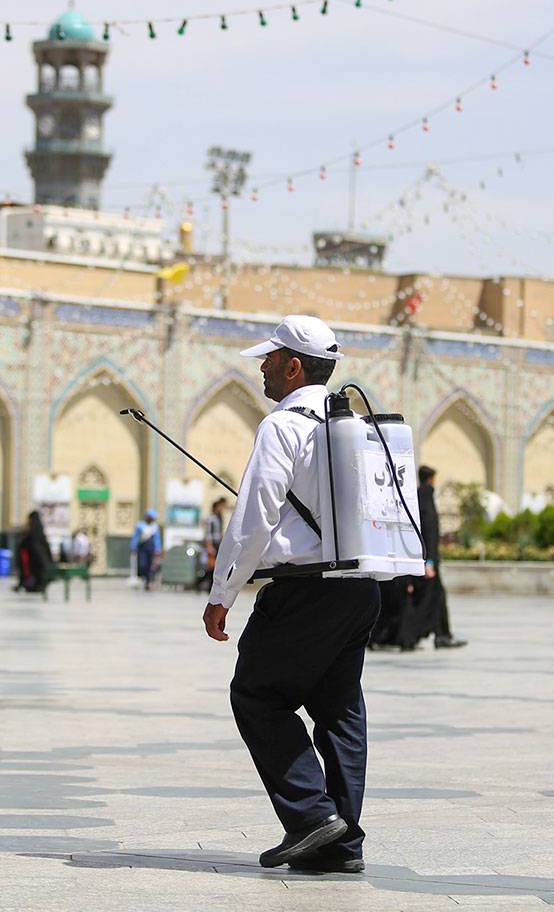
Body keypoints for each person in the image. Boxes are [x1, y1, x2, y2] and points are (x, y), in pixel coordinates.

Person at [202, 314, 377, 873]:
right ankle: (340, 845)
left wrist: (223, 592)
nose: (263, 369)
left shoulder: (283, 426)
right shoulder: (356, 426)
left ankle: (310, 816)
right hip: (359, 588)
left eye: (270, 360)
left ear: (294, 366)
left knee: (257, 695)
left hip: (304, 591)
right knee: (339, 713)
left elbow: (254, 515)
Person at [397, 466, 466, 651]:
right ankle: (411, 637)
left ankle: (442, 635)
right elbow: (429, 533)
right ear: (431, 479)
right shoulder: (427, 500)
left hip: (425, 561)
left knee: (437, 600)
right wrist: (429, 562)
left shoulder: (418, 498)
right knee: (427, 602)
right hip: (429, 563)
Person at [14, 511, 55, 598]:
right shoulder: (40, 531)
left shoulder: (31, 532)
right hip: (41, 561)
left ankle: (33, 585)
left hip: (35, 561)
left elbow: (23, 544)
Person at [196, 497, 228, 594]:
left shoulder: (220, 518)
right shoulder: (211, 519)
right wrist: (209, 546)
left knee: (216, 567)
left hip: (218, 543)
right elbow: (208, 534)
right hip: (212, 543)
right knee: (211, 566)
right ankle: (202, 583)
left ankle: (207, 585)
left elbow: (220, 532)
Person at [131, 509, 163, 591]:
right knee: (142, 564)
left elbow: (157, 539)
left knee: (151, 566)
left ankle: (149, 582)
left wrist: (158, 549)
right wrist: (133, 547)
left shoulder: (154, 527)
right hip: (142, 548)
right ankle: (143, 577)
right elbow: (136, 536)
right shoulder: (140, 525)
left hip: (151, 548)